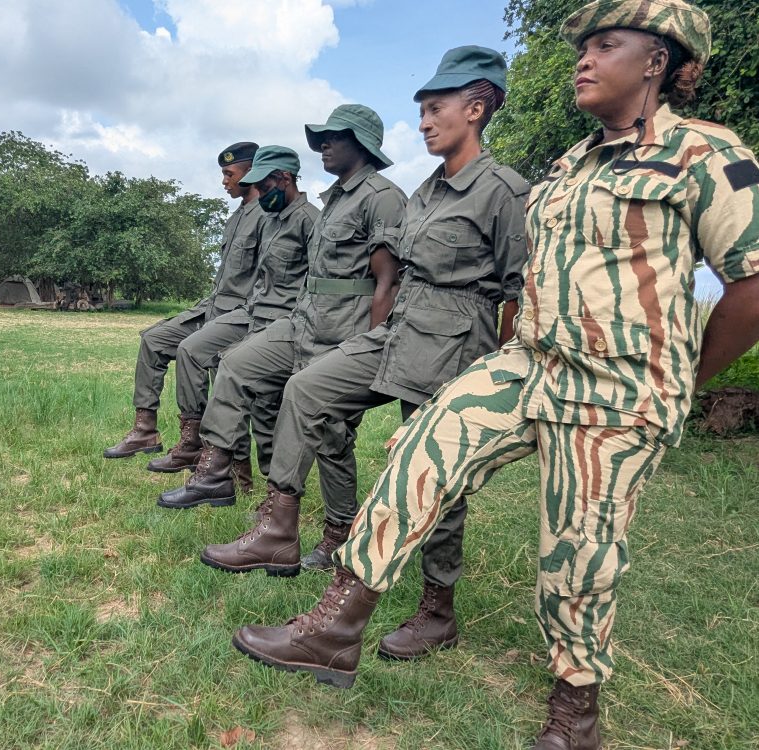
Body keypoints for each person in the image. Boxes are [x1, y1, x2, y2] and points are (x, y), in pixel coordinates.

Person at [229, 3, 759, 749]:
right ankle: (336, 625)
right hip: (531, 365)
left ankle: (575, 712)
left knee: (577, 552)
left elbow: (756, 285)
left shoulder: (709, 156)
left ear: (657, 62)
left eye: (605, 44)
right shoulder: (570, 164)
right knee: (418, 450)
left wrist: (677, 380)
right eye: (583, 45)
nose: (583, 59)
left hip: (620, 388)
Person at [195, 49, 529, 662]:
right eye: (422, 111)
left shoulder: (503, 191)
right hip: (399, 330)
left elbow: (517, 290)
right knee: (307, 388)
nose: (425, 122)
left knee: (435, 477)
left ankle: (437, 609)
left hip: (455, 344)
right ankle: (278, 529)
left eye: (436, 109)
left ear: (476, 110)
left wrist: (495, 369)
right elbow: (396, 279)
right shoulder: (427, 192)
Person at [157, 104, 408, 512]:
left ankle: (336, 530)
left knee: (331, 434)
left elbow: (388, 282)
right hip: (303, 321)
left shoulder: (382, 198)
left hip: (343, 331)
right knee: (236, 364)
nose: (323, 145)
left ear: (359, 143)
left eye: (334, 137)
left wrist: (368, 351)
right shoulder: (335, 201)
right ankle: (215, 474)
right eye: (322, 138)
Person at [149, 145, 319, 494]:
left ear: (284, 179)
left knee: (267, 410)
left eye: (266, 185)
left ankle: (274, 496)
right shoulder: (272, 220)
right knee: (236, 387)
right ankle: (231, 476)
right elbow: (258, 280)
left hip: (283, 324)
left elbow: (313, 284)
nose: (261, 193)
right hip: (253, 316)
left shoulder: (309, 221)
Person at [103, 142, 262, 463]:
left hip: (240, 314)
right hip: (212, 305)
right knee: (154, 339)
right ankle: (146, 430)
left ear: (251, 171)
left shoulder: (266, 217)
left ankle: (225, 466)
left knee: (224, 386)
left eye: (229, 174)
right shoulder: (237, 216)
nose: (224, 181)